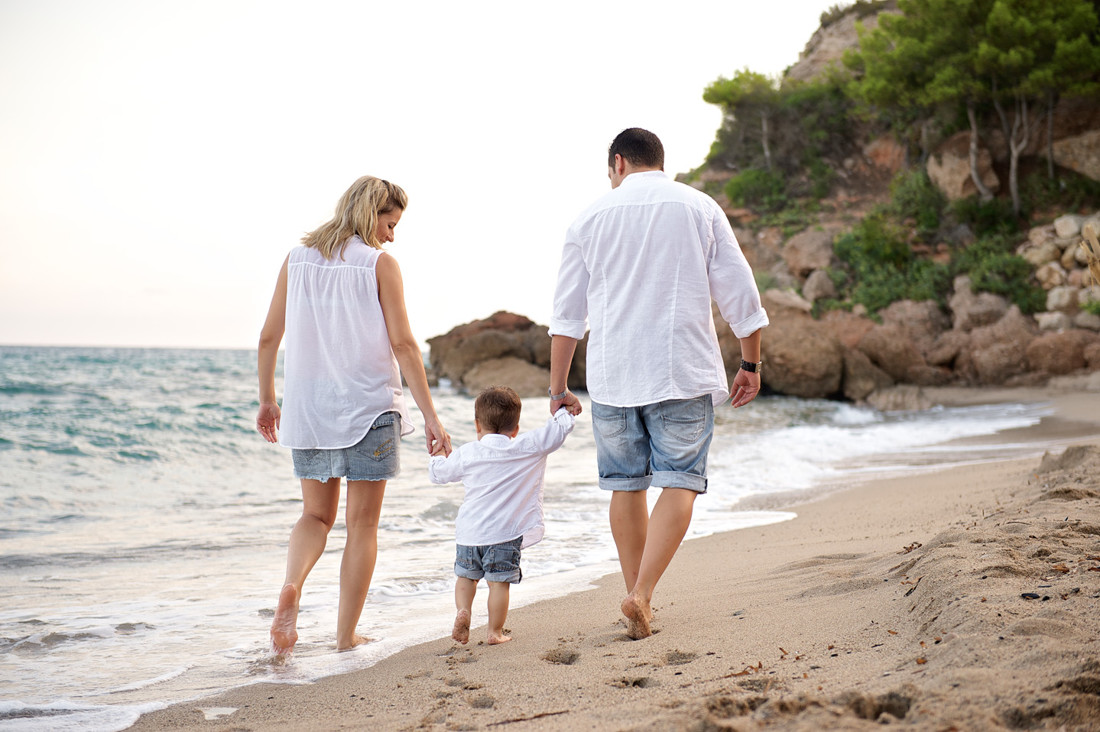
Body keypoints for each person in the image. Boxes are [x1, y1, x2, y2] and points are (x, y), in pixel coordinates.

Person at [548, 128, 769, 639]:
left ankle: (635, 594)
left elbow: (566, 316)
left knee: (626, 486)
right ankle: (641, 595)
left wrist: (560, 386)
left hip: (612, 376)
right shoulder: (697, 206)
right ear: (657, 162)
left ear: (618, 163)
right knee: (681, 479)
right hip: (680, 368)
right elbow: (739, 290)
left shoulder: (588, 218)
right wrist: (750, 364)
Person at [256, 176, 452, 656]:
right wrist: (431, 417)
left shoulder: (296, 259)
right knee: (362, 526)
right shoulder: (379, 265)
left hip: (310, 412)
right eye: (390, 222)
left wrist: (268, 398)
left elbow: (268, 337)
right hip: (368, 410)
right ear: (371, 214)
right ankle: (344, 638)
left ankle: (292, 586)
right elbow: (404, 345)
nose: (392, 235)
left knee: (314, 516)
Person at [428, 385, 575, 645]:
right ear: (515, 429)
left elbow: (439, 474)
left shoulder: (468, 453)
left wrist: (438, 453)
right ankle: (494, 633)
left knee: (466, 578)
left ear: (477, 425)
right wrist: (564, 410)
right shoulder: (527, 446)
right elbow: (557, 432)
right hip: (504, 535)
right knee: (498, 584)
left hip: (469, 534)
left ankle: (463, 611)